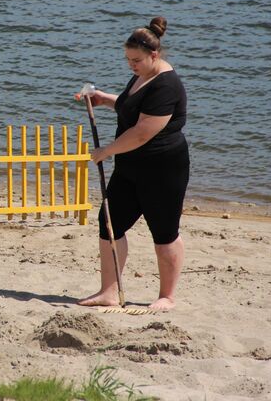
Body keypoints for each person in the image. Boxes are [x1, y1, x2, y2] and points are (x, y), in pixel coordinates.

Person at [74, 16, 189, 311]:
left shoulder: (167, 85)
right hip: (130, 167)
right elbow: (131, 105)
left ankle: (167, 296)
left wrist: (107, 151)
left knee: (164, 232)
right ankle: (109, 292)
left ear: (154, 55)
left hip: (162, 168)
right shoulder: (143, 76)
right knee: (110, 224)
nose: (131, 65)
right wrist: (104, 99)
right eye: (128, 60)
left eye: (136, 60)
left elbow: (142, 131)